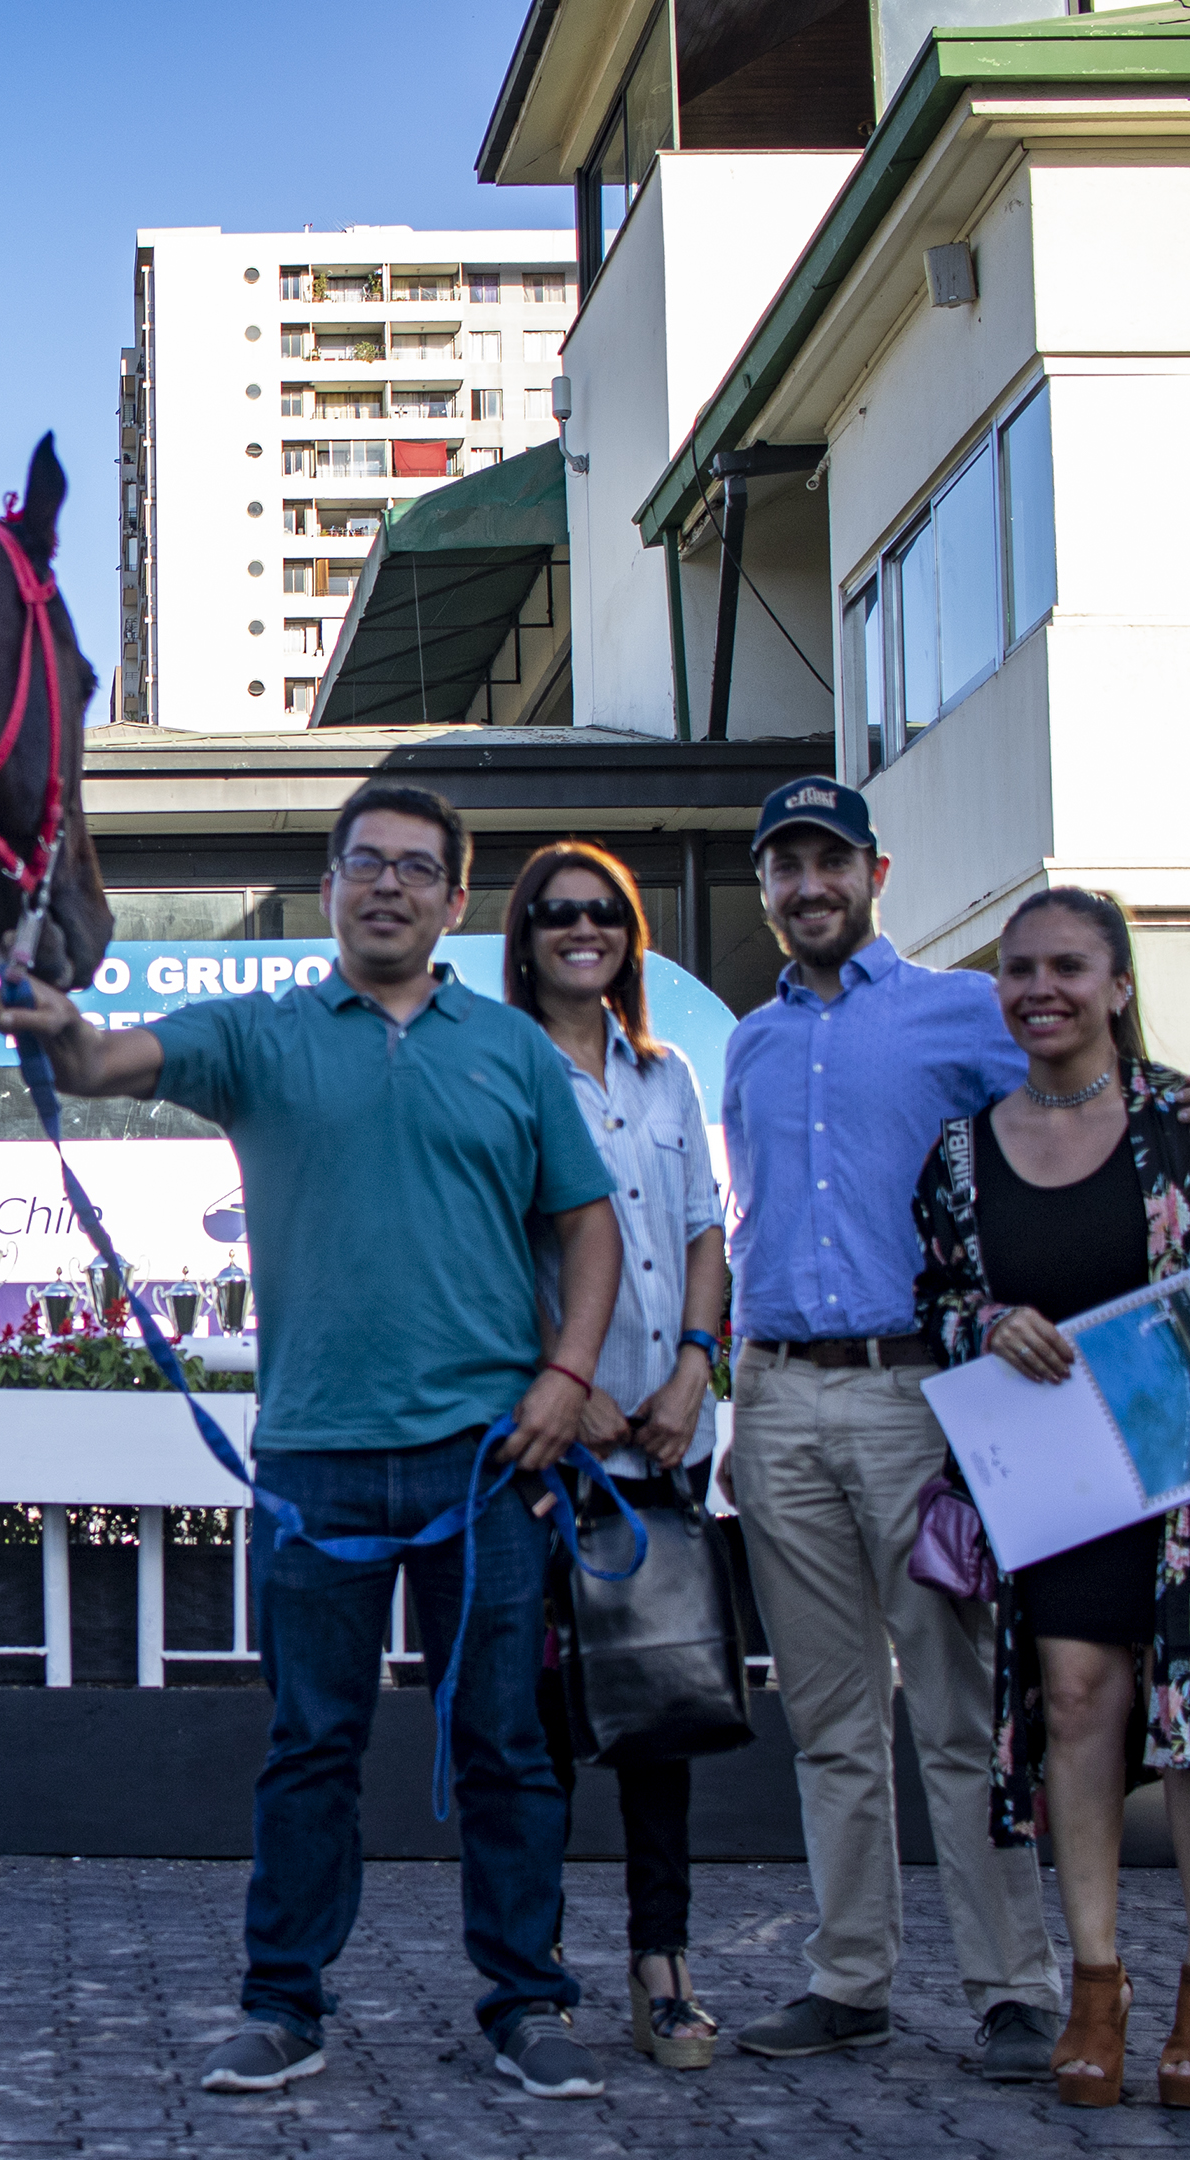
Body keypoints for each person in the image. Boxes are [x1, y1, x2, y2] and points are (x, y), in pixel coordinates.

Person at [0, 780, 627, 2100]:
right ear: (329, 888)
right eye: (364, 864)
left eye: (416, 868)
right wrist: (54, 1023)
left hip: (486, 1461)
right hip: (315, 1460)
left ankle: (526, 2002)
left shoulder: (514, 1052)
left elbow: (589, 1225)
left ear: (456, 900)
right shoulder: (258, 1033)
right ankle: (282, 2004)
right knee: (309, 1748)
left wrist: (569, 1374)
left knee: (508, 1745)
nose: (388, 885)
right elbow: (101, 1064)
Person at [719, 777, 1190, 2080]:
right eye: (787, 865)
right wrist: (744, 1394)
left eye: (832, 862)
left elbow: (1098, 1104)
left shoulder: (968, 1010)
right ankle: (847, 1980)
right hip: (781, 1393)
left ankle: (1017, 1991)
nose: (809, 885)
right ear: (768, 887)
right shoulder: (749, 1043)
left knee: (962, 1713)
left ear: (875, 875)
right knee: (829, 1720)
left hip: (922, 1396)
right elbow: (751, 1230)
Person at [912, 887, 1190, 2111]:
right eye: (1019, 970)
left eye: (1067, 967)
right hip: (1062, 1486)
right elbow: (937, 1301)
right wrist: (988, 1323)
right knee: (1076, 1702)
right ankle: (1095, 1985)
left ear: (1118, 987)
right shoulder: (960, 1154)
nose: (1039, 989)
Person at [502, 841, 731, 2069]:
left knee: (661, 1716)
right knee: (539, 1728)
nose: (582, 929)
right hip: (556, 1444)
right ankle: (532, 1977)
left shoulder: (667, 1072)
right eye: (557, 913)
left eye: (604, 912)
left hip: (666, 1437)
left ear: (630, 936)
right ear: (525, 937)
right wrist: (566, 1375)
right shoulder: (500, 1066)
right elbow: (491, 1246)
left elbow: (703, 1230)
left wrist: (695, 1368)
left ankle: (663, 1966)